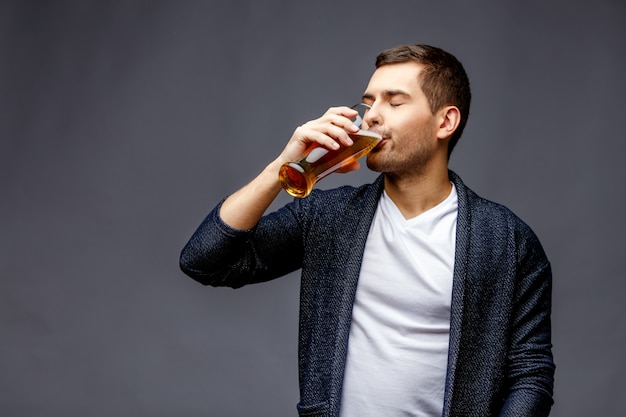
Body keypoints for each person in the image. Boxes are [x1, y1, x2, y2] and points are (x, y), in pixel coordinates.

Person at [179, 43, 555, 417]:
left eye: (394, 102)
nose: (371, 116)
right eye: (369, 102)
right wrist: (284, 165)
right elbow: (205, 261)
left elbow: (530, 374)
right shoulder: (330, 216)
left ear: (445, 121)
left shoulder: (507, 240)